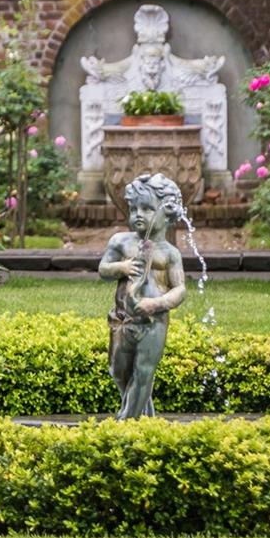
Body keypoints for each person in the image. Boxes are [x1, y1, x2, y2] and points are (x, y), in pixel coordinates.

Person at [97, 173, 187, 419]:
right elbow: (103, 270)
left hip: (153, 322)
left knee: (143, 372)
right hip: (123, 319)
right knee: (117, 371)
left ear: (167, 213)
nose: (138, 214)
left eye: (147, 209)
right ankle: (145, 415)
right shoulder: (121, 242)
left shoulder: (170, 254)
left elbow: (180, 289)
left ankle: (128, 422)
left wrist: (157, 303)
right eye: (134, 208)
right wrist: (122, 267)